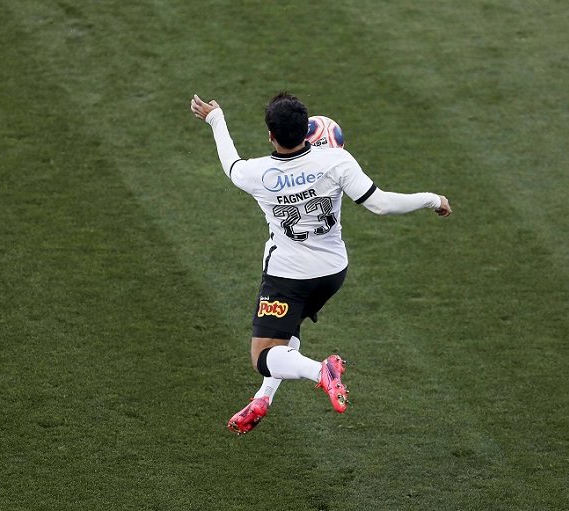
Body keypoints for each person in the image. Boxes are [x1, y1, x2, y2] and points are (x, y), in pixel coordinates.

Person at [189, 92, 451, 435]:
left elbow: (230, 163)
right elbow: (382, 204)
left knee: (263, 356)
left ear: (271, 135)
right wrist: (433, 199)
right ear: (307, 129)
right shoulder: (336, 163)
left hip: (287, 276)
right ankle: (263, 398)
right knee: (287, 331)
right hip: (332, 272)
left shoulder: (257, 174)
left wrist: (216, 118)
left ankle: (320, 371)